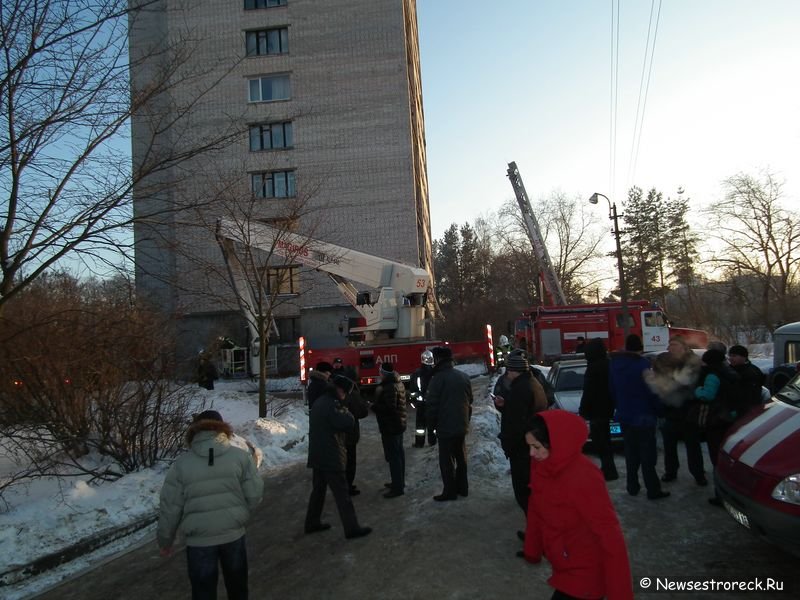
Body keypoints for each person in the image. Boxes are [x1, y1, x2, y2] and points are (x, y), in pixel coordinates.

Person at [519, 411, 633, 600]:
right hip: (565, 565)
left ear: (556, 444)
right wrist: (532, 549)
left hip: (586, 573)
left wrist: (620, 595)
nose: (532, 453)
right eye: (529, 446)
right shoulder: (543, 467)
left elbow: (610, 535)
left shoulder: (584, 477)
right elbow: (536, 509)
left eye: (536, 447)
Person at [157, 410, 264, 600]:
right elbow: (255, 495)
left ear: (195, 430)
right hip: (233, 534)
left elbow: (170, 507)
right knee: (238, 588)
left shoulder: (182, 465)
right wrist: (238, 511)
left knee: (203, 592)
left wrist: (165, 541)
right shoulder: (239, 457)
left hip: (199, 542)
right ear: (222, 428)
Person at [304, 374, 371, 539]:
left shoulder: (321, 401)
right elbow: (348, 422)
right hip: (331, 454)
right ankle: (352, 528)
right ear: (340, 390)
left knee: (318, 490)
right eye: (346, 393)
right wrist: (346, 410)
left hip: (318, 454)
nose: (346, 396)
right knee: (342, 493)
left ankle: (312, 522)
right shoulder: (333, 405)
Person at [609, 334, 669, 500]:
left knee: (631, 453)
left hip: (624, 415)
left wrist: (619, 406)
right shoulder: (643, 365)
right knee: (647, 455)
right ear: (640, 348)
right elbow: (653, 391)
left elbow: (612, 390)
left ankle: (632, 486)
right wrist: (660, 410)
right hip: (644, 416)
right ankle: (653, 489)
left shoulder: (614, 365)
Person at [493, 350, 547, 528]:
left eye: (509, 371)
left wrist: (508, 444)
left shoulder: (520, 389)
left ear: (515, 371)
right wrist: (505, 405)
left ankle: (536, 536)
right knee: (531, 495)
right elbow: (523, 412)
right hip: (530, 445)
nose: (507, 375)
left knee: (525, 495)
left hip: (522, 449)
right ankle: (535, 533)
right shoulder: (532, 383)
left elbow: (516, 423)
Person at [644, 337, 706, 485]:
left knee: (693, 445)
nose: (671, 347)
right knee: (669, 445)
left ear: (683, 347)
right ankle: (670, 471)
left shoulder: (692, 362)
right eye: (669, 345)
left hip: (689, 410)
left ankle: (698, 473)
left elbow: (693, 383)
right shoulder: (665, 361)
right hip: (670, 410)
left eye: (674, 344)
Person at [425, 346, 474, 501]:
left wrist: (430, 431)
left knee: (446, 461)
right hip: (461, 424)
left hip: (445, 427)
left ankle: (450, 491)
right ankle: (463, 488)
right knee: (461, 457)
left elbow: (432, 407)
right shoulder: (464, 376)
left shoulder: (437, 379)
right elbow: (470, 400)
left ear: (438, 359)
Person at [578, 338, 619, 481]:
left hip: (596, 410)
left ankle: (609, 470)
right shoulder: (608, 364)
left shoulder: (593, 368)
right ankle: (609, 468)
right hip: (607, 408)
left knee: (600, 442)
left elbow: (588, 391)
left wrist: (583, 409)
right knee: (605, 441)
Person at [371, 363, 407, 498]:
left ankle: (397, 488)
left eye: (380, 371)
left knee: (394, 457)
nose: (379, 374)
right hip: (398, 424)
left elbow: (390, 407)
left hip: (391, 426)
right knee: (398, 455)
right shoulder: (397, 383)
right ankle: (399, 482)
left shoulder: (389, 386)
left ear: (383, 373)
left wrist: (374, 407)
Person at [727, 345, 766, 413]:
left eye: (734, 356)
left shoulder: (752, 372)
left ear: (744, 357)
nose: (731, 358)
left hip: (745, 411)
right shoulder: (730, 369)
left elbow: (750, 396)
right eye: (730, 356)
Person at [410, 349, 437, 447]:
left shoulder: (417, 373)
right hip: (432, 403)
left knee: (420, 426)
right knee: (432, 424)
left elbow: (412, 389)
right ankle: (432, 441)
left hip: (421, 404)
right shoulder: (436, 373)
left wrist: (413, 401)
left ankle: (419, 443)